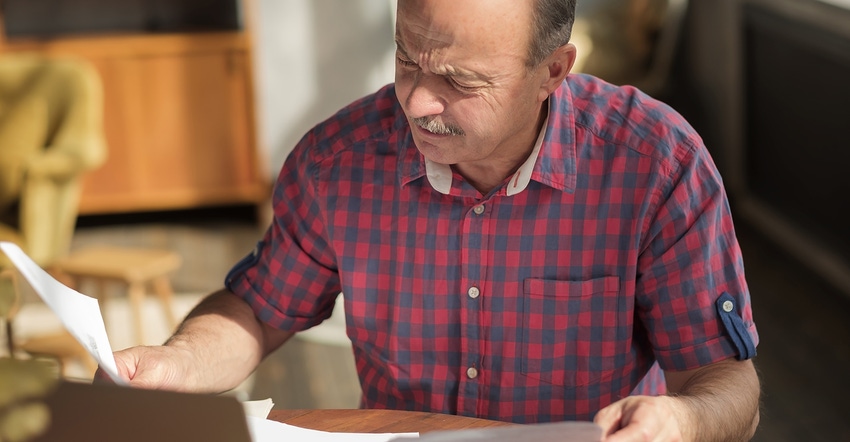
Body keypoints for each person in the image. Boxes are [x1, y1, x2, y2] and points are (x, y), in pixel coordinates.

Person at [103, 0, 761, 440]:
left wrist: (684, 421)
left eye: (459, 82)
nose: (417, 102)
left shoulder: (655, 163)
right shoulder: (339, 158)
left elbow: (725, 381)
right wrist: (177, 362)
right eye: (407, 60)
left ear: (552, 72)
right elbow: (259, 309)